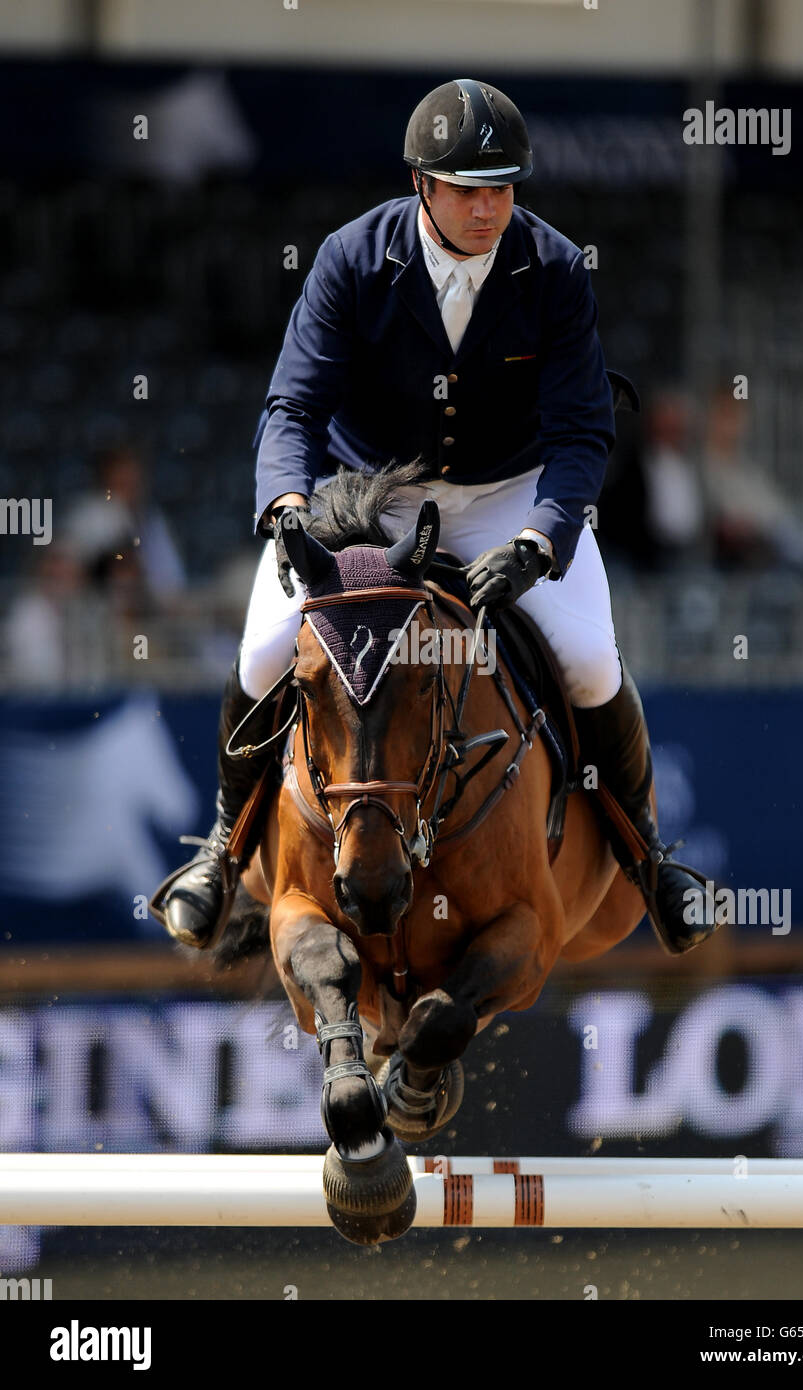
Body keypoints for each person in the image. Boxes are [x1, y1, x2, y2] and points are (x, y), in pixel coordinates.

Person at [156, 78, 716, 956]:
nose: (490, 206)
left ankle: (648, 854)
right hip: (366, 498)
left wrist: (539, 541)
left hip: (505, 496)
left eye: (503, 187)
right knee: (265, 652)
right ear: (422, 183)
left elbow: (580, 430)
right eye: (468, 188)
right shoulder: (351, 257)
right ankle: (219, 853)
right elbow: (292, 408)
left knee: (588, 660)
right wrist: (289, 507)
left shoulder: (556, 268)